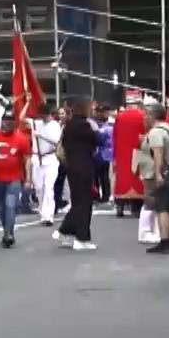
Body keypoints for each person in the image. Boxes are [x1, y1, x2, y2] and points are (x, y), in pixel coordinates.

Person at [0, 111, 32, 248]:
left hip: (14, 179)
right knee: (1, 208)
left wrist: (28, 179)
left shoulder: (21, 138)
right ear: (1, 121)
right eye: (6, 120)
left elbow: (27, 160)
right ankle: (6, 229)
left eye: (11, 120)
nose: (8, 122)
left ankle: (8, 234)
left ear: (14, 122)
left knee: (10, 205)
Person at [54, 100, 100, 252]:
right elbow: (98, 140)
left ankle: (66, 230)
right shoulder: (84, 125)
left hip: (72, 167)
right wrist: (95, 130)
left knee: (78, 202)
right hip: (84, 167)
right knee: (84, 203)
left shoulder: (68, 126)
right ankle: (82, 238)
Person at [140, 105, 169, 254]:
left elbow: (158, 153)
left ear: (152, 116)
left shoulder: (156, 132)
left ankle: (165, 241)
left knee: (162, 208)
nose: (144, 118)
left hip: (162, 172)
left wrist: (157, 174)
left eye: (146, 115)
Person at [31, 109, 63, 226]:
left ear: (50, 114)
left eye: (45, 115)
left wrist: (40, 136)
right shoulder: (36, 123)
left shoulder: (55, 125)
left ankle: (48, 215)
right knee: (39, 188)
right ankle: (42, 211)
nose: (43, 118)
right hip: (37, 159)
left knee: (48, 188)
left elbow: (56, 142)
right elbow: (21, 117)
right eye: (41, 115)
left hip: (50, 159)